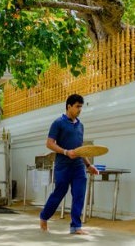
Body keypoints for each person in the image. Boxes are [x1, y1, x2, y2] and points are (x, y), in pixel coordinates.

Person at [39, 94, 99, 235]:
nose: (79, 110)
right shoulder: (58, 123)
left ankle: (76, 226)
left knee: (79, 194)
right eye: (77, 106)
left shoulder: (80, 126)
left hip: (78, 166)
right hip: (63, 166)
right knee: (59, 193)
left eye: (81, 107)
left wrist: (89, 165)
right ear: (69, 106)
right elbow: (49, 143)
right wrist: (66, 152)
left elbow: (80, 148)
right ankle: (44, 216)